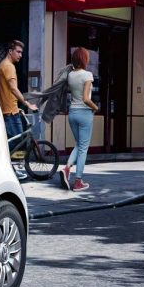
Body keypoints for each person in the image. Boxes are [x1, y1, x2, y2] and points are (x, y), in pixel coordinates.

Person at [0, 39, 38, 180]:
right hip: (10, 113)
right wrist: (27, 104)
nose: (20, 55)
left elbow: (5, 92)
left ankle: (9, 169)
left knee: (9, 143)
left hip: (8, 110)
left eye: (21, 52)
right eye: (18, 52)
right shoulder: (9, 67)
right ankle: (17, 171)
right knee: (18, 143)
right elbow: (13, 88)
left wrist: (17, 107)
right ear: (10, 51)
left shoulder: (1, 66)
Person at [62, 47, 99, 191]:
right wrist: (95, 108)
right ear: (84, 59)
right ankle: (78, 181)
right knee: (83, 148)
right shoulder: (88, 75)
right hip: (84, 113)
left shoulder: (70, 75)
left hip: (72, 113)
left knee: (78, 144)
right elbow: (85, 99)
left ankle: (66, 168)